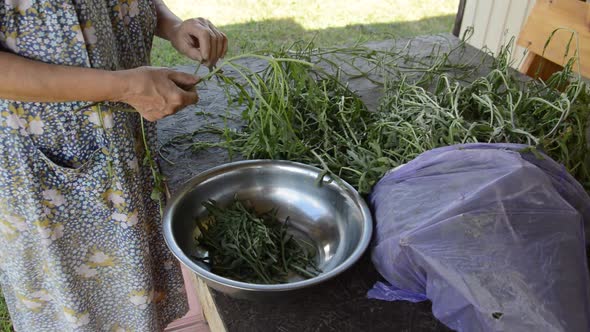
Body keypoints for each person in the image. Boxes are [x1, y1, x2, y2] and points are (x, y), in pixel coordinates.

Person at [0, 0, 227, 330]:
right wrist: (126, 87)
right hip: (50, 172)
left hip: (125, 150)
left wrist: (173, 27)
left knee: (134, 294)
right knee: (76, 306)